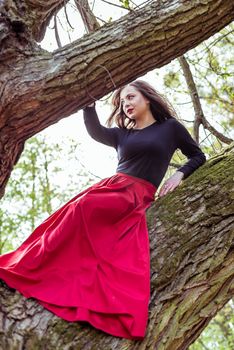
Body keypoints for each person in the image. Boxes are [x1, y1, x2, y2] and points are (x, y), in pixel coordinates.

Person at [0, 80, 206, 340]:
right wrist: (89, 104)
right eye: (122, 102)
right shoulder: (123, 134)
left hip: (136, 195)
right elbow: (96, 130)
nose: (126, 104)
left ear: (148, 98)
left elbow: (198, 156)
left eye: (131, 97)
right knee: (75, 210)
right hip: (112, 188)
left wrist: (179, 175)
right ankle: (29, 267)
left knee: (83, 210)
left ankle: (47, 272)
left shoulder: (171, 128)